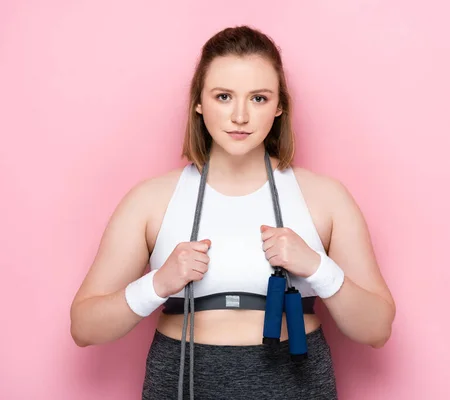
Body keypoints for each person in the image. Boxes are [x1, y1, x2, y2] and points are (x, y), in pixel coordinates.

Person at [70, 25, 396, 400]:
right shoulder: (149, 200)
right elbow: (84, 328)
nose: (240, 115)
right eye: (224, 96)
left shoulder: (326, 197)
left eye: (258, 98)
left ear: (279, 107)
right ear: (199, 102)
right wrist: (157, 283)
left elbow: (377, 330)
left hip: (295, 382)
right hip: (183, 380)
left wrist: (317, 267)